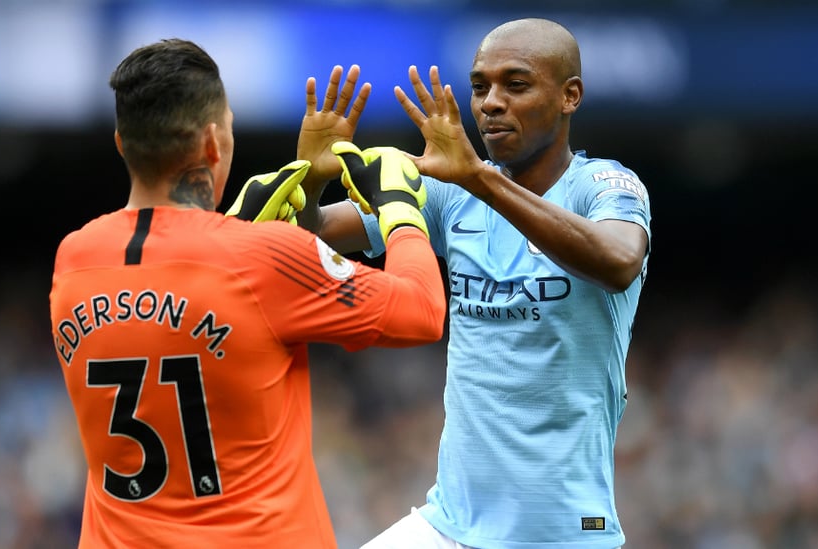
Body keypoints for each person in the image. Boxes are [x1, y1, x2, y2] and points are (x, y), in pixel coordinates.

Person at [48, 38, 446, 548]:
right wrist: (401, 209)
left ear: (122, 143)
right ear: (214, 143)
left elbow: (177, 296)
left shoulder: (74, 259)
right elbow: (422, 311)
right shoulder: (263, 259)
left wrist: (244, 225)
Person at [298, 18, 652, 548]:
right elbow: (314, 236)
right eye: (480, 86)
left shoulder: (601, 186)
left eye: (516, 84)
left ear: (569, 96)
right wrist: (310, 176)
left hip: (563, 534)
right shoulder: (451, 194)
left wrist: (478, 178)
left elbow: (620, 258)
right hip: (450, 525)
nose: (490, 103)